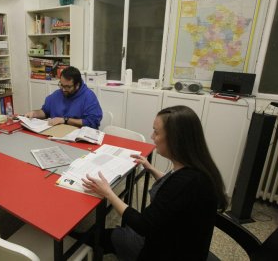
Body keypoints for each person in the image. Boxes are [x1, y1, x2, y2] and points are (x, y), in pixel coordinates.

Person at [82, 105, 228, 261]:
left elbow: (143, 225)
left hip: (165, 251)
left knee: (96, 235)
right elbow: (173, 190)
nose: (152, 136)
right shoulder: (196, 169)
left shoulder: (185, 183)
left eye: (156, 132)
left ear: (175, 139)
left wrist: (108, 193)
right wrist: (151, 168)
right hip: (180, 240)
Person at [25, 66, 103, 129]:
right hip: (57, 134)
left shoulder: (88, 96)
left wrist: (65, 120)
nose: (63, 89)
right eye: (61, 85)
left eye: (68, 87)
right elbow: (45, 112)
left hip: (78, 137)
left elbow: (93, 122)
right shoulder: (57, 94)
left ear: (77, 85)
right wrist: (34, 113)